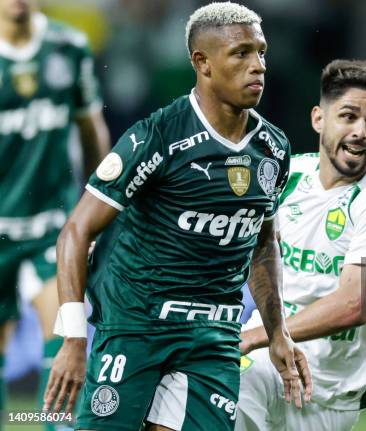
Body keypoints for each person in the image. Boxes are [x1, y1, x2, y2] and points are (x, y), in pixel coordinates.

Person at [42, 2, 311, 430]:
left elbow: (261, 244)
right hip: (137, 326)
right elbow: (75, 231)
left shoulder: (274, 149)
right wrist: (73, 338)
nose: (257, 65)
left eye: (261, 52)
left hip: (214, 338)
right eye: (240, 53)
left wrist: (278, 332)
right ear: (201, 62)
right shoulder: (158, 137)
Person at [236, 59, 366, 430]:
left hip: (327, 394)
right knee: (218, 386)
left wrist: (258, 336)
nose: (360, 132)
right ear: (319, 119)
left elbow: (354, 304)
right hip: (263, 365)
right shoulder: (289, 175)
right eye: (348, 117)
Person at [0, 0, 110, 427]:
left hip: (51, 225)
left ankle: (55, 427)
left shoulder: (69, 47)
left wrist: (101, 204)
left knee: (64, 333)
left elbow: (91, 128)